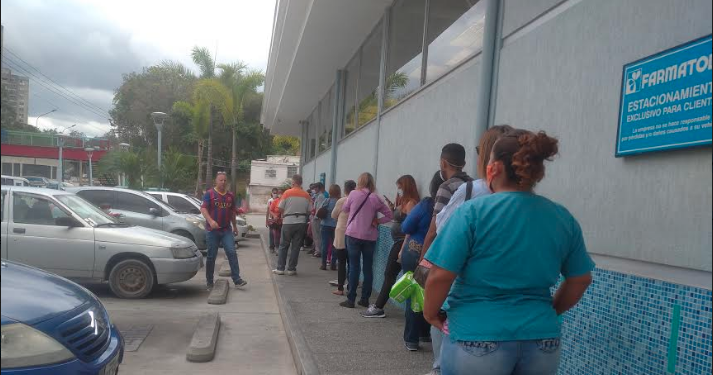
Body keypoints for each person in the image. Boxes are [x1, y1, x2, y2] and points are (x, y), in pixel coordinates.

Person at [423, 130, 595, 375]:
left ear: (495, 168)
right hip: (541, 339)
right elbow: (580, 278)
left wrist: (431, 314)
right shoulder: (561, 217)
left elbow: (440, 275)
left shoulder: (471, 213)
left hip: (476, 335)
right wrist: (548, 310)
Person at [426, 125, 514, 375]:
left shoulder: (471, 192)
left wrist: (430, 310)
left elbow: (443, 233)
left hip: (469, 300)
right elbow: (579, 278)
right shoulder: (539, 207)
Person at [362, 175, 420, 318]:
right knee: (390, 274)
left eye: (400, 187)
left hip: (402, 243)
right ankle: (379, 306)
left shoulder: (411, 203)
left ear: (406, 187)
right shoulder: (405, 202)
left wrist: (402, 249)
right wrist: (394, 208)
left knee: (389, 274)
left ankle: (379, 307)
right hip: (399, 242)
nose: (398, 190)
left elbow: (410, 227)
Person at [398, 172, 441, 351]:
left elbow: (406, 226)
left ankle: (411, 339)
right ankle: (425, 332)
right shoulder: (456, 204)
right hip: (440, 255)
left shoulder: (426, 204)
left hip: (416, 250)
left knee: (414, 294)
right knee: (432, 293)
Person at [339, 172, 393, 308]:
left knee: (354, 266)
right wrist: (377, 221)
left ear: (360, 182)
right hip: (370, 237)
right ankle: (365, 299)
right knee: (368, 268)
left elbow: (344, 209)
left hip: (353, 234)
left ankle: (351, 299)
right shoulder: (376, 198)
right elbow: (390, 215)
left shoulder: (353, 194)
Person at [201, 172, 247, 290]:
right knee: (211, 256)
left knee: (231, 252)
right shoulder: (209, 194)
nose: (223, 182)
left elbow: (232, 212)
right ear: (216, 181)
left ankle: (237, 280)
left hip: (226, 230)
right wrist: (211, 221)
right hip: (212, 231)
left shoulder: (230, 196)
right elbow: (203, 209)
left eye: (225, 180)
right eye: (221, 180)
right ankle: (209, 282)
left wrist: (235, 226)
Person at [273, 174, 311, 276]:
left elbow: (280, 208)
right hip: (301, 223)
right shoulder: (307, 195)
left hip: (288, 222)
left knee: (283, 245)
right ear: (301, 183)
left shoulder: (287, 193)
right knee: (296, 246)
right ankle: (291, 269)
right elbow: (310, 211)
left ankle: (280, 269)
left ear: (293, 182)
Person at [331, 180, 356, 296]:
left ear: (345, 189)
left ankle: (340, 288)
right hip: (354, 234)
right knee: (352, 263)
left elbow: (333, 215)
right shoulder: (357, 200)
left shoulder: (342, 201)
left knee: (341, 262)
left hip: (341, 234)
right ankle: (351, 287)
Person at [319, 184, 340, 270]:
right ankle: (333, 263)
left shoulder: (327, 200)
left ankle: (323, 264)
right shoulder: (340, 201)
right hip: (336, 226)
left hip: (325, 224)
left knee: (325, 245)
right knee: (335, 245)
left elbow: (320, 210)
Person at [311, 183, 329, 257]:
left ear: (319, 188)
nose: (314, 189)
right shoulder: (317, 196)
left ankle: (318, 251)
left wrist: (316, 217)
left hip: (317, 218)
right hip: (315, 217)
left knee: (317, 235)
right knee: (316, 235)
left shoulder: (321, 196)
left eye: (315, 188)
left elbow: (319, 208)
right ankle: (317, 249)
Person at [269, 188, 284, 255]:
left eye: (282, 193)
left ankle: (282, 248)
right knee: (276, 235)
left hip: (284, 222)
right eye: (279, 193)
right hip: (276, 221)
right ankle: (276, 248)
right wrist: (274, 215)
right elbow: (270, 210)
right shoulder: (275, 201)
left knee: (283, 236)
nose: (280, 194)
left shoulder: (286, 201)